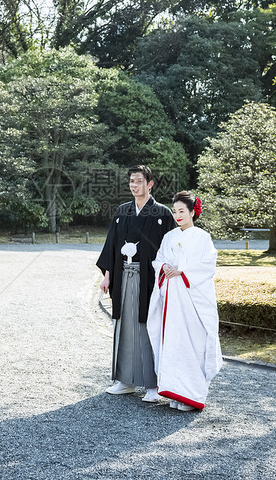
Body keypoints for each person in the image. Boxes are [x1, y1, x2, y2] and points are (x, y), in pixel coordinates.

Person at [97, 165, 176, 402]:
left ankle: (153, 383)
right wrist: (108, 275)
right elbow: (112, 245)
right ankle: (125, 380)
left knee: (148, 326)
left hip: (150, 279)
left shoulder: (162, 213)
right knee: (124, 326)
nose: (134, 185)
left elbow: (171, 250)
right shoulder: (122, 211)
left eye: (139, 181)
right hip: (123, 277)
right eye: (131, 181)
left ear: (149, 184)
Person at [148, 191, 222, 411]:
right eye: (175, 211)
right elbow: (158, 259)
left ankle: (192, 394)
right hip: (171, 298)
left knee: (193, 342)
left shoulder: (202, 237)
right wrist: (164, 267)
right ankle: (175, 392)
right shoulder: (169, 236)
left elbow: (207, 265)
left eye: (182, 211)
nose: (178, 215)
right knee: (173, 342)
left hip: (192, 300)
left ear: (192, 212)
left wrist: (181, 270)